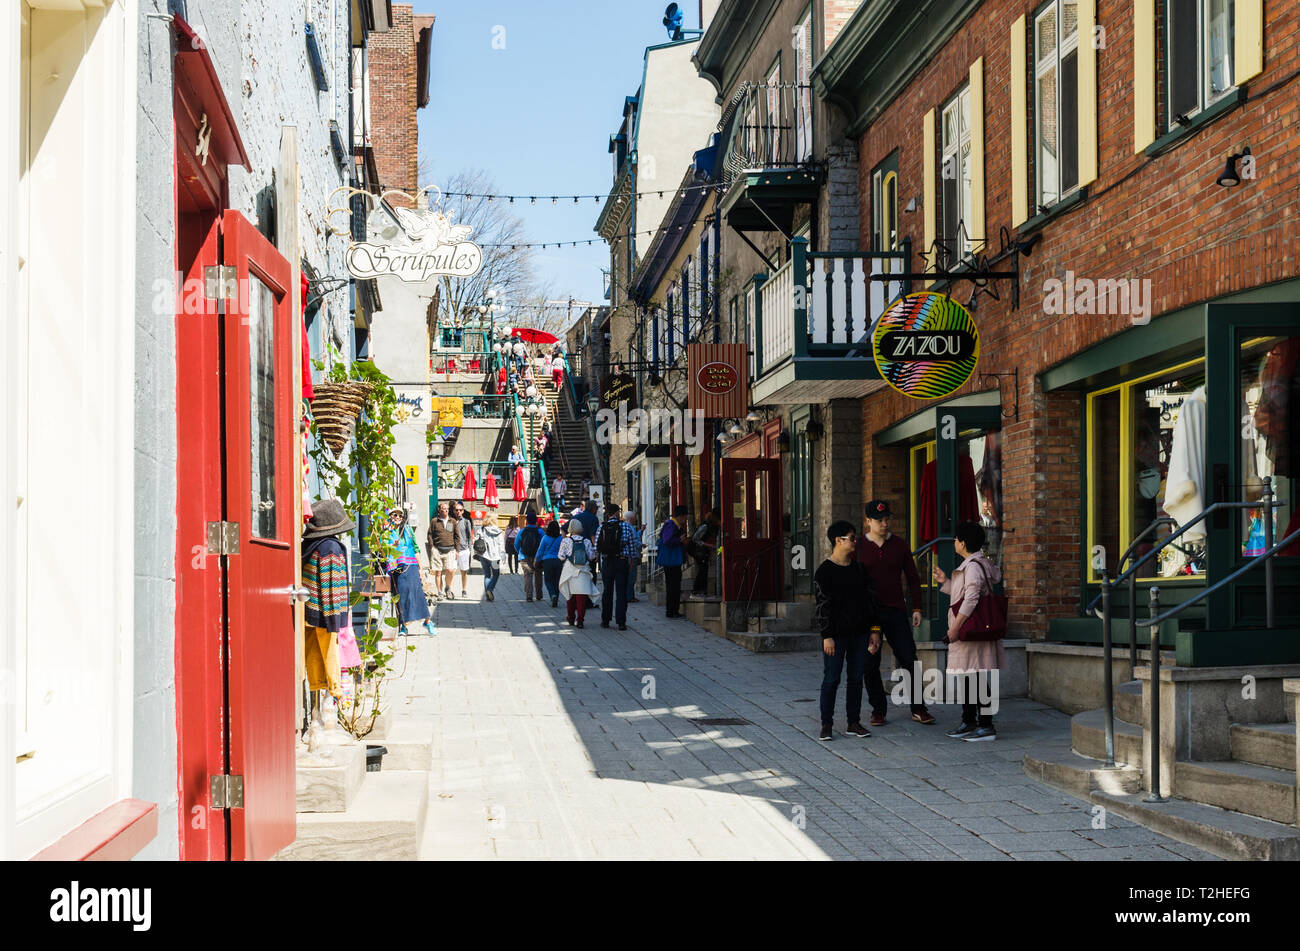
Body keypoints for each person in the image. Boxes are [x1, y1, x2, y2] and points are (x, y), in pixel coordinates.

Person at [856, 500, 935, 726]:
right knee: (870, 663)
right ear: (868, 521)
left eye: (887, 519)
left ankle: (919, 708)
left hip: (896, 611)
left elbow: (912, 577)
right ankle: (878, 710)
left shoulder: (899, 545)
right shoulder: (859, 547)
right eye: (879, 520)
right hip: (869, 614)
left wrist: (917, 608)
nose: (884, 523)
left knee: (908, 657)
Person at [934, 521, 1004, 741]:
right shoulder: (973, 564)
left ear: (963, 543)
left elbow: (972, 598)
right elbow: (961, 595)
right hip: (971, 630)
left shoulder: (972, 567)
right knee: (969, 676)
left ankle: (985, 725)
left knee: (976, 676)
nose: (954, 542)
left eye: (956, 539)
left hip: (970, 630)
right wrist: (945, 582)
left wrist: (955, 628)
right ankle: (969, 721)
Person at [815, 520, 882, 741]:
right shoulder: (824, 572)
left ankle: (853, 722)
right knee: (832, 679)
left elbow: (870, 602)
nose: (855, 542)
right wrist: (827, 636)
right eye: (852, 538)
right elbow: (823, 608)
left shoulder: (859, 569)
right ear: (838, 540)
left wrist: (874, 630)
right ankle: (826, 723)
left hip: (860, 633)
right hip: (836, 636)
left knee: (855, 678)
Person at [302, 499, 356, 701]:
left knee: (313, 653)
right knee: (330, 653)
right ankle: (335, 694)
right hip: (327, 613)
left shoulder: (310, 546)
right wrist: (335, 621)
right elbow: (330, 583)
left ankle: (317, 692)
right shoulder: (331, 548)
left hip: (309, 610)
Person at [386, 506, 434, 635]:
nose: (397, 518)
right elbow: (383, 550)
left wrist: (420, 567)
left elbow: (416, 547)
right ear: (390, 517)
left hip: (411, 565)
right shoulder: (387, 532)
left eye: (400, 516)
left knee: (417, 593)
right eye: (395, 515)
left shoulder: (407, 530)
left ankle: (428, 621)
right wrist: (391, 546)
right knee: (401, 595)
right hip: (396, 567)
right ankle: (403, 625)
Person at [595, 503, 636, 630]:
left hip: (607, 562)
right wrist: (631, 561)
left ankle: (605, 620)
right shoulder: (626, 526)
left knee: (607, 591)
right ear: (617, 513)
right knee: (621, 592)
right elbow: (632, 546)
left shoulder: (601, 527)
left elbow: (597, 547)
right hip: (621, 561)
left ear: (607, 513)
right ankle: (621, 621)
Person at [558, 520, 598, 627]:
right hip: (583, 571)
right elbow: (591, 556)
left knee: (569, 596)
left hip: (569, 570)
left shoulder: (565, 541)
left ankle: (570, 618)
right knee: (581, 597)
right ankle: (580, 620)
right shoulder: (586, 541)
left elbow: (561, 556)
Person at [657, 504, 688, 618]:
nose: (686, 519)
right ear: (680, 516)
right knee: (673, 586)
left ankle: (673, 610)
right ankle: (671, 611)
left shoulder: (673, 524)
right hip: (671, 560)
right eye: (685, 517)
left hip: (673, 560)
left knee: (674, 586)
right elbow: (667, 540)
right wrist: (680, 540)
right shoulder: (671, 525)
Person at [426, 501, 458, 601]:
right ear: (439, 510)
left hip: (450, 550)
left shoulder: (452, 521)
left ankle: (448, 588)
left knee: (450, 570)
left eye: (447, 509)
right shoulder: (434, 521)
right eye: (443, 508)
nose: (445, 510)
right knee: (438, 572)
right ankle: (440, 592)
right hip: (437, 550)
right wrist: (432, 547)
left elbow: (457, 536)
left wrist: (457, 550)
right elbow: (430, 534)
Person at [689, 509, 721, 598]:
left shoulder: (712, 526)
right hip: (698, 551)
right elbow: (695, 539)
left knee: (704, 570)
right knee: (702, 570)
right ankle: (696, 591)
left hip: (703, 551)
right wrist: (709, 545)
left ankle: (702, 591)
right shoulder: (705, 526)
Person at [514, 511, 544, 602]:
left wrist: (520, 552)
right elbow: (543, 545)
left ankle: (529, 596)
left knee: (528, 576)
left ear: (526, 521)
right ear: (536, 521)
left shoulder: (522, 531)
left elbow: (516, 544)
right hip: (537, 557)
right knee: (538, 575)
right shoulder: (540, 531)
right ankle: (539, 595)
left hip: (524, 556)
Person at [474, 516, 506, 602]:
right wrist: (503, 557)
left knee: (487, 575)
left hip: (483, 556)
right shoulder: (498, 531)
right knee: (496, 574)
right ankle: (490, 589)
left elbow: (476, 541)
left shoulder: (481, 530)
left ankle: (488, 596)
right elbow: (501, 545)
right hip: (495, 558)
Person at [537, 519, 564, 607]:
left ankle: (552, 595)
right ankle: (556, 596)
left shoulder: (545, 538)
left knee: (548, 580)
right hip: (558, 561)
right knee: (557, 581)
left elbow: (540, 550)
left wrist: (536, 560)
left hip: (547, 561)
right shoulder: (561, 538)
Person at [452, 502, 473, 599]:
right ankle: (450, 590)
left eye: (460, 510)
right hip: (453, 550)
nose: (458, 512)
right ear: (453, 511)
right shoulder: (450, 522)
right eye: (456, 510)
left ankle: (464, 589)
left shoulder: (466, 522)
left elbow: (469, 536)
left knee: (464, 571)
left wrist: (469, 549)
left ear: (463, 511)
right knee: (451, 571)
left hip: (464, 550)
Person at [624, 510, 644, 603]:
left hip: (627, 555)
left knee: (629, 576)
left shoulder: (627, 527)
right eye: (635, 517)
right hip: (632, 555)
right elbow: (634, 541)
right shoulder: (630, 528)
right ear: (632, 519)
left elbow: (635, 537)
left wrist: (641, 531)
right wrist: (642, 544)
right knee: (631, 576)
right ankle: (629, 596)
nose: (636, 519)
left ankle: (629, 595)